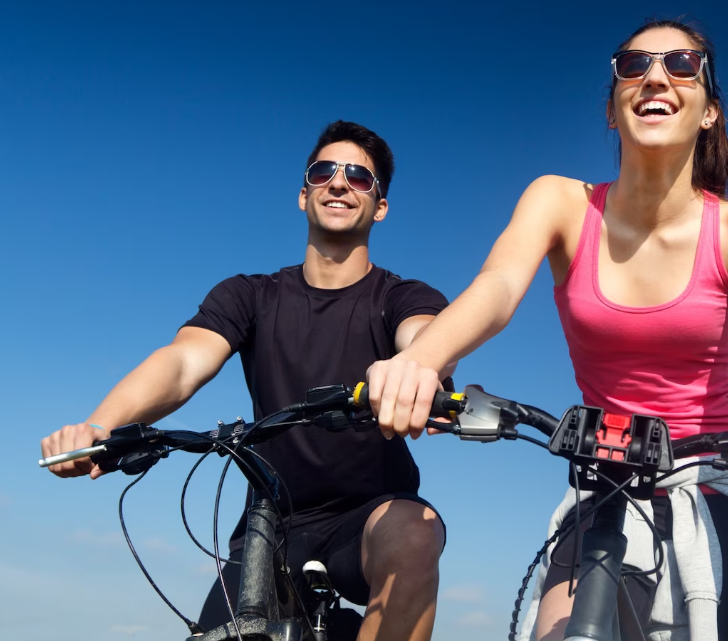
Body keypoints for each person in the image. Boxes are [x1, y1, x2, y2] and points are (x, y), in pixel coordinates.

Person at [364, 19, 728, 641]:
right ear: (613, 108)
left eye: (681, 64)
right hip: (607, 476)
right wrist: (422, 361)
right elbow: (497, 287)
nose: (655, 75)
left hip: (723, 472)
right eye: (633, 63)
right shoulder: (560, 202)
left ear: (709, 112)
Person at [40, 120, 452, 641]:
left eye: (360, 177)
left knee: (415, 535)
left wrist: (418, 367)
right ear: (304, 195)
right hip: (270, 523)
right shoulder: (250, 295)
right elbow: (184, 362)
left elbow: (429, 340)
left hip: (371, 517)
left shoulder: (401, 297)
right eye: (324, 171)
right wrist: (99, 427)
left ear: (380, 206)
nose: (340, 183)